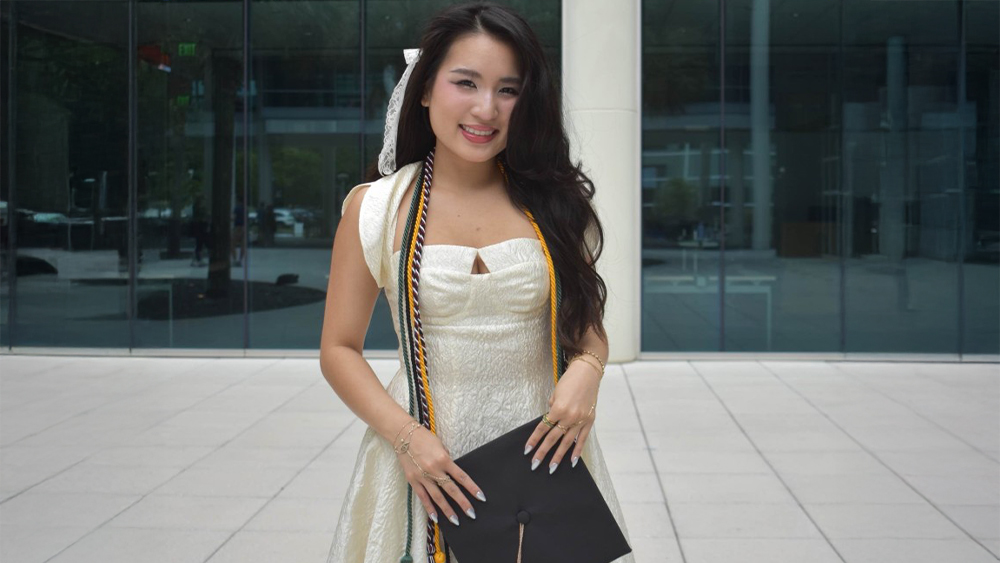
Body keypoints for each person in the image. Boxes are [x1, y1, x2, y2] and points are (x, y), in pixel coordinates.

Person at [319, 4, 633, 563]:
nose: (486, 109)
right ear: (424, 89)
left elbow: (588, 331)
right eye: (466, 82)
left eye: (508, 90)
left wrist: (589, 372)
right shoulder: (376, 209)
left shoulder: (554, 205)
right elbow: (338, 349)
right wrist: (409, 441)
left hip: (540, 455)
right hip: (425, 460)